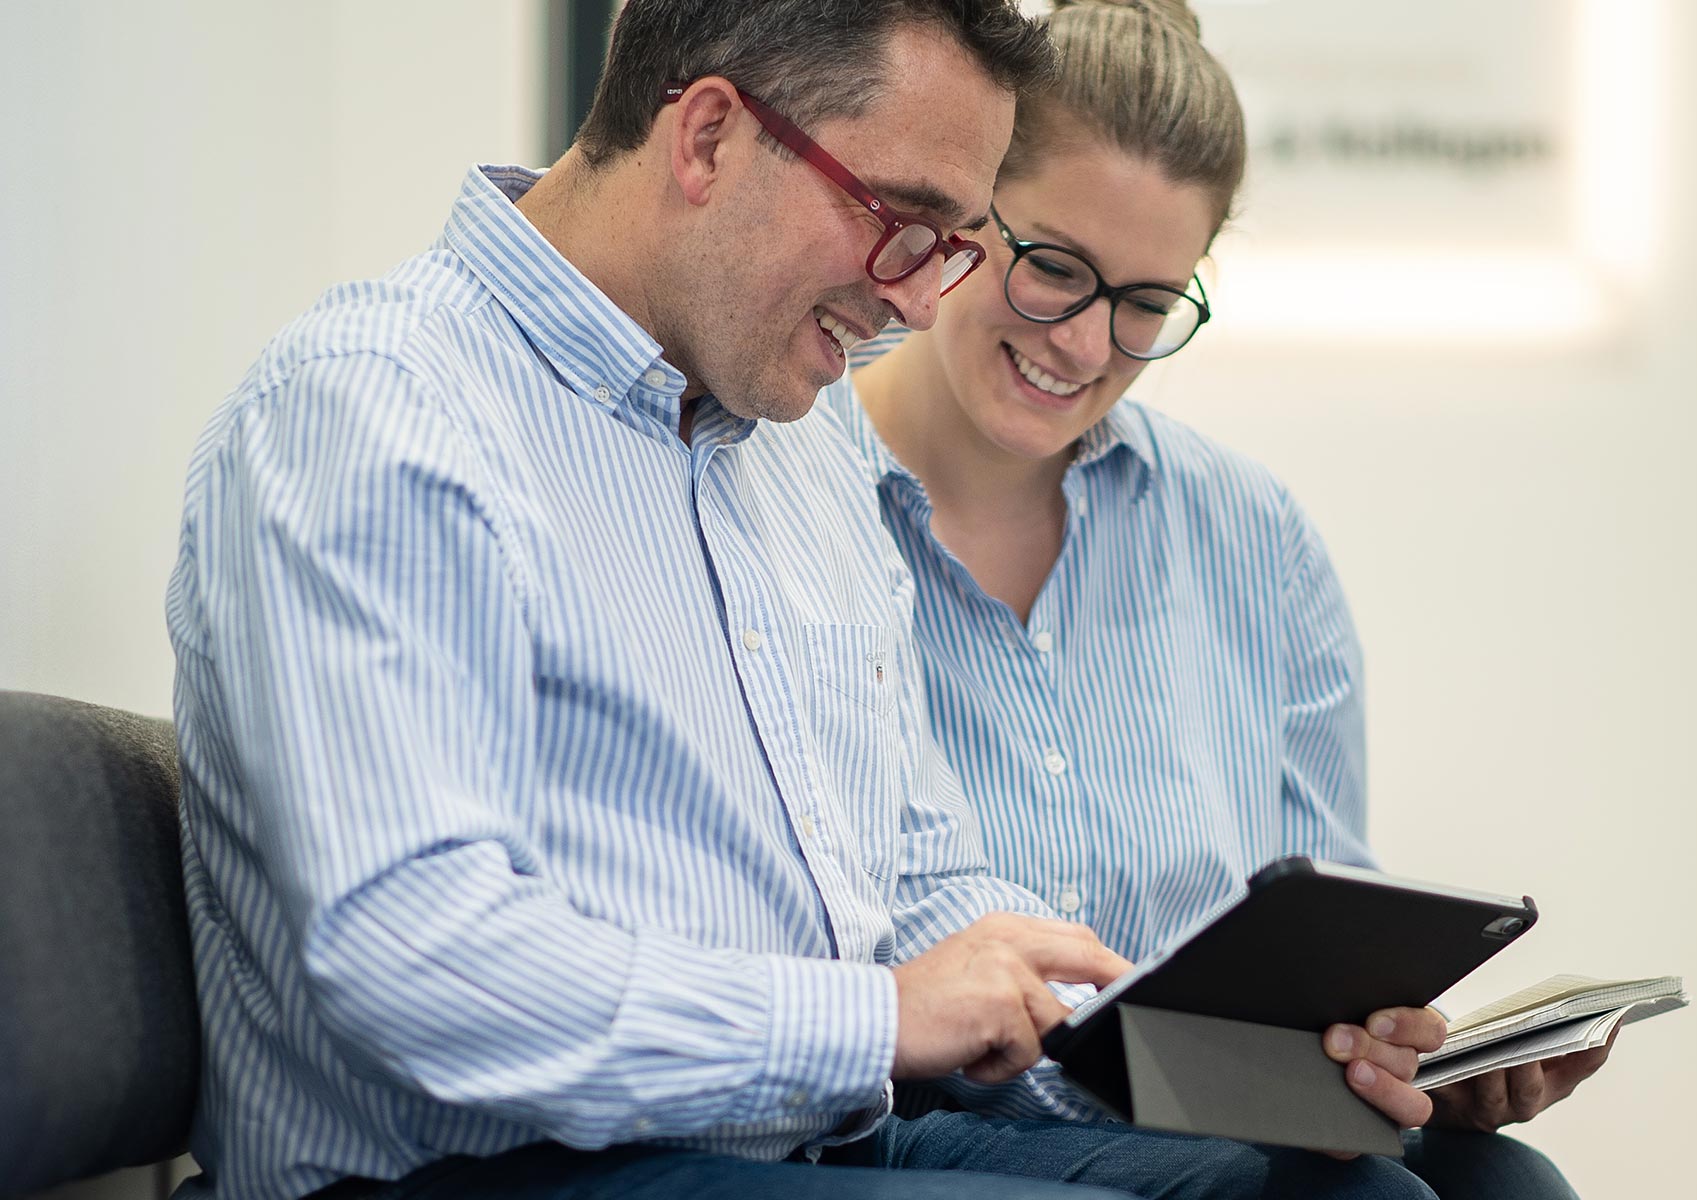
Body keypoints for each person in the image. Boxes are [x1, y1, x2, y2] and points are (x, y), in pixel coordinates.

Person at [164, 3, 1446, 1199]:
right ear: (711, 135)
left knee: (1321, 1188)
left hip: (790, 1144)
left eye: (951, 244)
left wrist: (1171, 1057)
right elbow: (418, 967)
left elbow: (918, 877)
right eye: (901, 219)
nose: (911, 296)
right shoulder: (376, 412)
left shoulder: (798, 438)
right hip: (478, 1170)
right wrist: (882, 1018)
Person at [839, 0, 1611, 1194]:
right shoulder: (801, 497)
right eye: (1054, 267)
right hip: (937, 1115)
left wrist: (1395, 1047)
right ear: (966, 207)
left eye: (1149, 303)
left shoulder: (1251, 538)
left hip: (1231, 1110)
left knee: (1512, 1185)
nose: (1087, 345)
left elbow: (1331, 941)